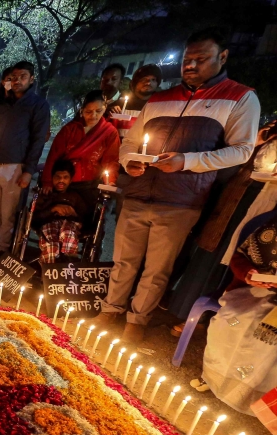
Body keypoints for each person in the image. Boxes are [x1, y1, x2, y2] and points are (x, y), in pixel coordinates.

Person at [95, 28, 261, 342]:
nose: (191, 66)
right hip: (138, 191)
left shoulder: (240, 97)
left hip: (182, 199)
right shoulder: (161, 98)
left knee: (157, 268)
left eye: (201, 59)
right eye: (188, 59)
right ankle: (110, 309)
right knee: (124, 260)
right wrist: (130, 161)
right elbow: (130, 142)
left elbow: (241, 150)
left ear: (222, 57)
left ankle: (137, 320)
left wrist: (185, 161)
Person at [194, 210, 277, 411]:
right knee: (231, 323)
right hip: (249, 293)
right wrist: (248, 273)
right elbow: (238, 257)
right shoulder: (271, 226)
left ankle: (252, 398)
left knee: (265, 340)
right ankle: (216, 381)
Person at [0, 60, 50, 253]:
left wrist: (28, 171)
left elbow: (38, 140)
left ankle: (4, 249)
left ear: (31, 79)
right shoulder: (0, 103)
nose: (17, 81)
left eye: (22, 77)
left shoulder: (38, 105)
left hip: (15, 168)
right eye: (14, 77)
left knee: (8, 213)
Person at [40, 89, 120, 217]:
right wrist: (48, 181)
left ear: (104, 109)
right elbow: (53, 156)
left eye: (98, 111)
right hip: (64, 181)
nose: (93, 115)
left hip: (88, 185)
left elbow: (110, 160)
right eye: (89, 112)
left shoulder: (109, 132)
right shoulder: (69, 129)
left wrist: (109, 181)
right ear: (81, 111)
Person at [35, 160, 90, 263]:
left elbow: (86, 217)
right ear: (52, 178)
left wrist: (74, 213)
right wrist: (53, 209)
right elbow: (35, 217)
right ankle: (50, 271)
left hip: (70, 224)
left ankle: (68, 267)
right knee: (51, 244)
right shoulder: (45, 195)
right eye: (57, 177)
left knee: (67, 232)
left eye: (65, 177)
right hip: (48, 223)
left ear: (70, 180)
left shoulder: (75, 197)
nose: (61, 181)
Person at [107, 64, 162, 139]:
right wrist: (108, 112)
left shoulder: (160, 108)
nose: (148, 83)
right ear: (135, 83)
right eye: (144, 79)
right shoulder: (119, 105)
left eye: (153, 80)